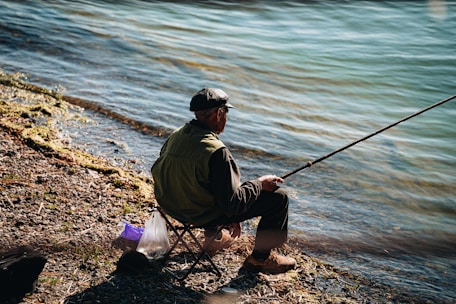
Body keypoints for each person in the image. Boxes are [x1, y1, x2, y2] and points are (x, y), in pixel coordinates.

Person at [151, 87, 296, 274]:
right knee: (279, 197)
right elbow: (233, 206)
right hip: (197, 212)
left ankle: (214, 237)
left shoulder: (177, 134)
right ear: (219, 113)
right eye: (226, 113)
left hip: (170, 204)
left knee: (221, 185)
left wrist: (243, 196)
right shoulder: (218, 152)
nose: (226, 118)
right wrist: (260, 184)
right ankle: (260, 259)